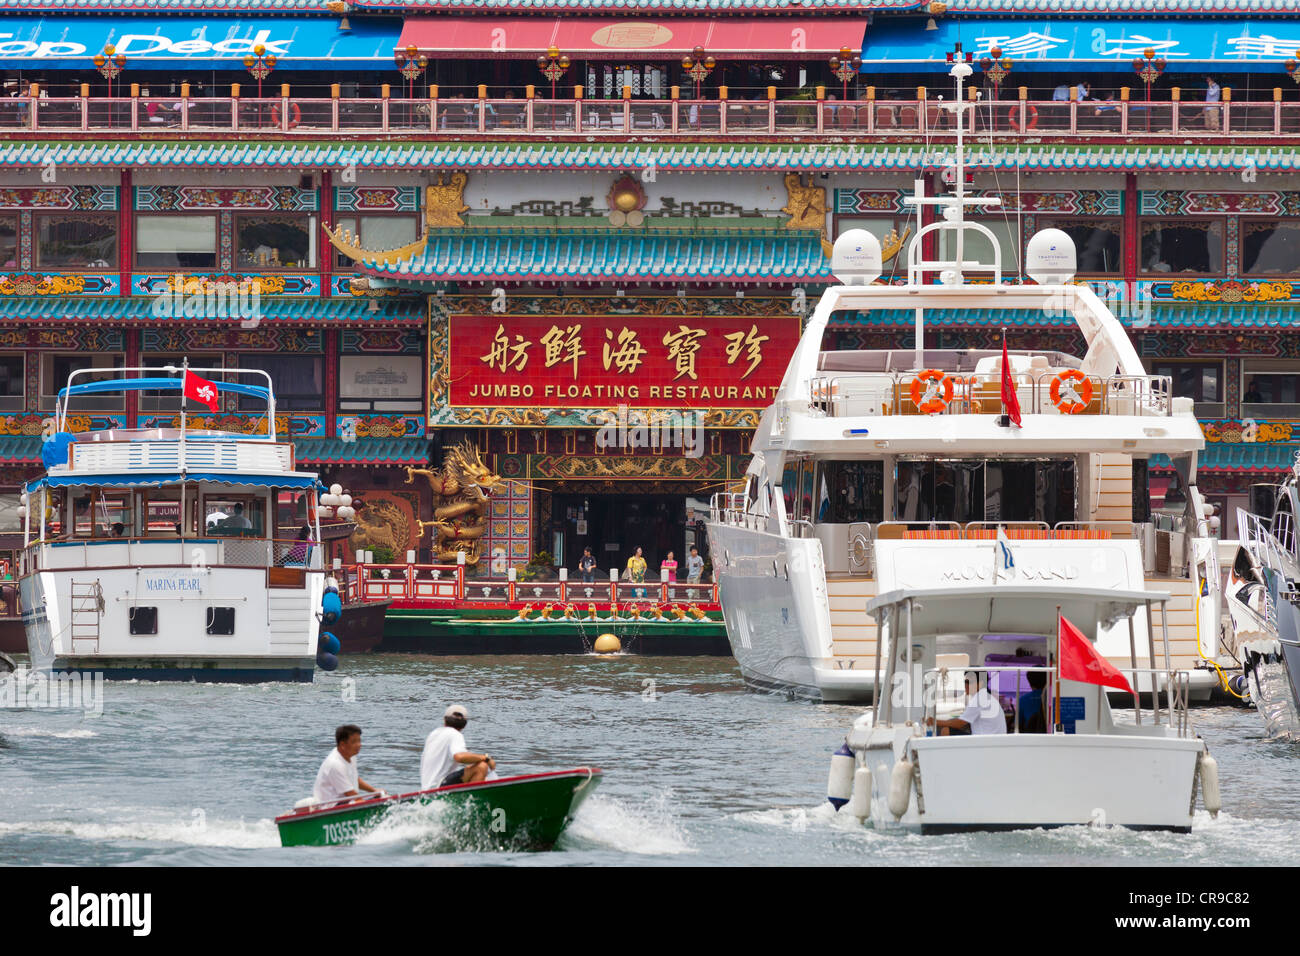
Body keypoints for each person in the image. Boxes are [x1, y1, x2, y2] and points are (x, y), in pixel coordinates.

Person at [420, 704, 495, 790]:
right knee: (481, 767)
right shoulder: (455, 734)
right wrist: (486, 758)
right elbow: (459, 757)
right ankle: (473, 801)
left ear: (445, 720)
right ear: (464, 724)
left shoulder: (434, 734)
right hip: (439, 787)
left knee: (479, 774)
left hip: (427, 788)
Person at [314, 724, 382, 805]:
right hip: (331, 806)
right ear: (342, 745)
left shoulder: (350, 755)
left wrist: (374, 791)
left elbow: (354, 778)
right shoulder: (335, 764)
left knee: (380, 796)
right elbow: (350, 794)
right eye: (354, 742)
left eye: (359, 741)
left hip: (347, 800)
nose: (359, 745)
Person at [928, 672, 1008, 736]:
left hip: (984, 742)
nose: (965, 685)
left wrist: (934, 721)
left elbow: (960, 723)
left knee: (946, 730)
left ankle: (944, 756)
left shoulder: (979, 698)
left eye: (968, 682)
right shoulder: (986, 696)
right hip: (991, 740)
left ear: (979, 684)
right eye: (965, 681)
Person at [1017, 669, 1049, 733]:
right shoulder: (1050, 698)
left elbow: (1018, 724)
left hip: (1028, 737)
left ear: (1030, 683)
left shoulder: (1022, 700)